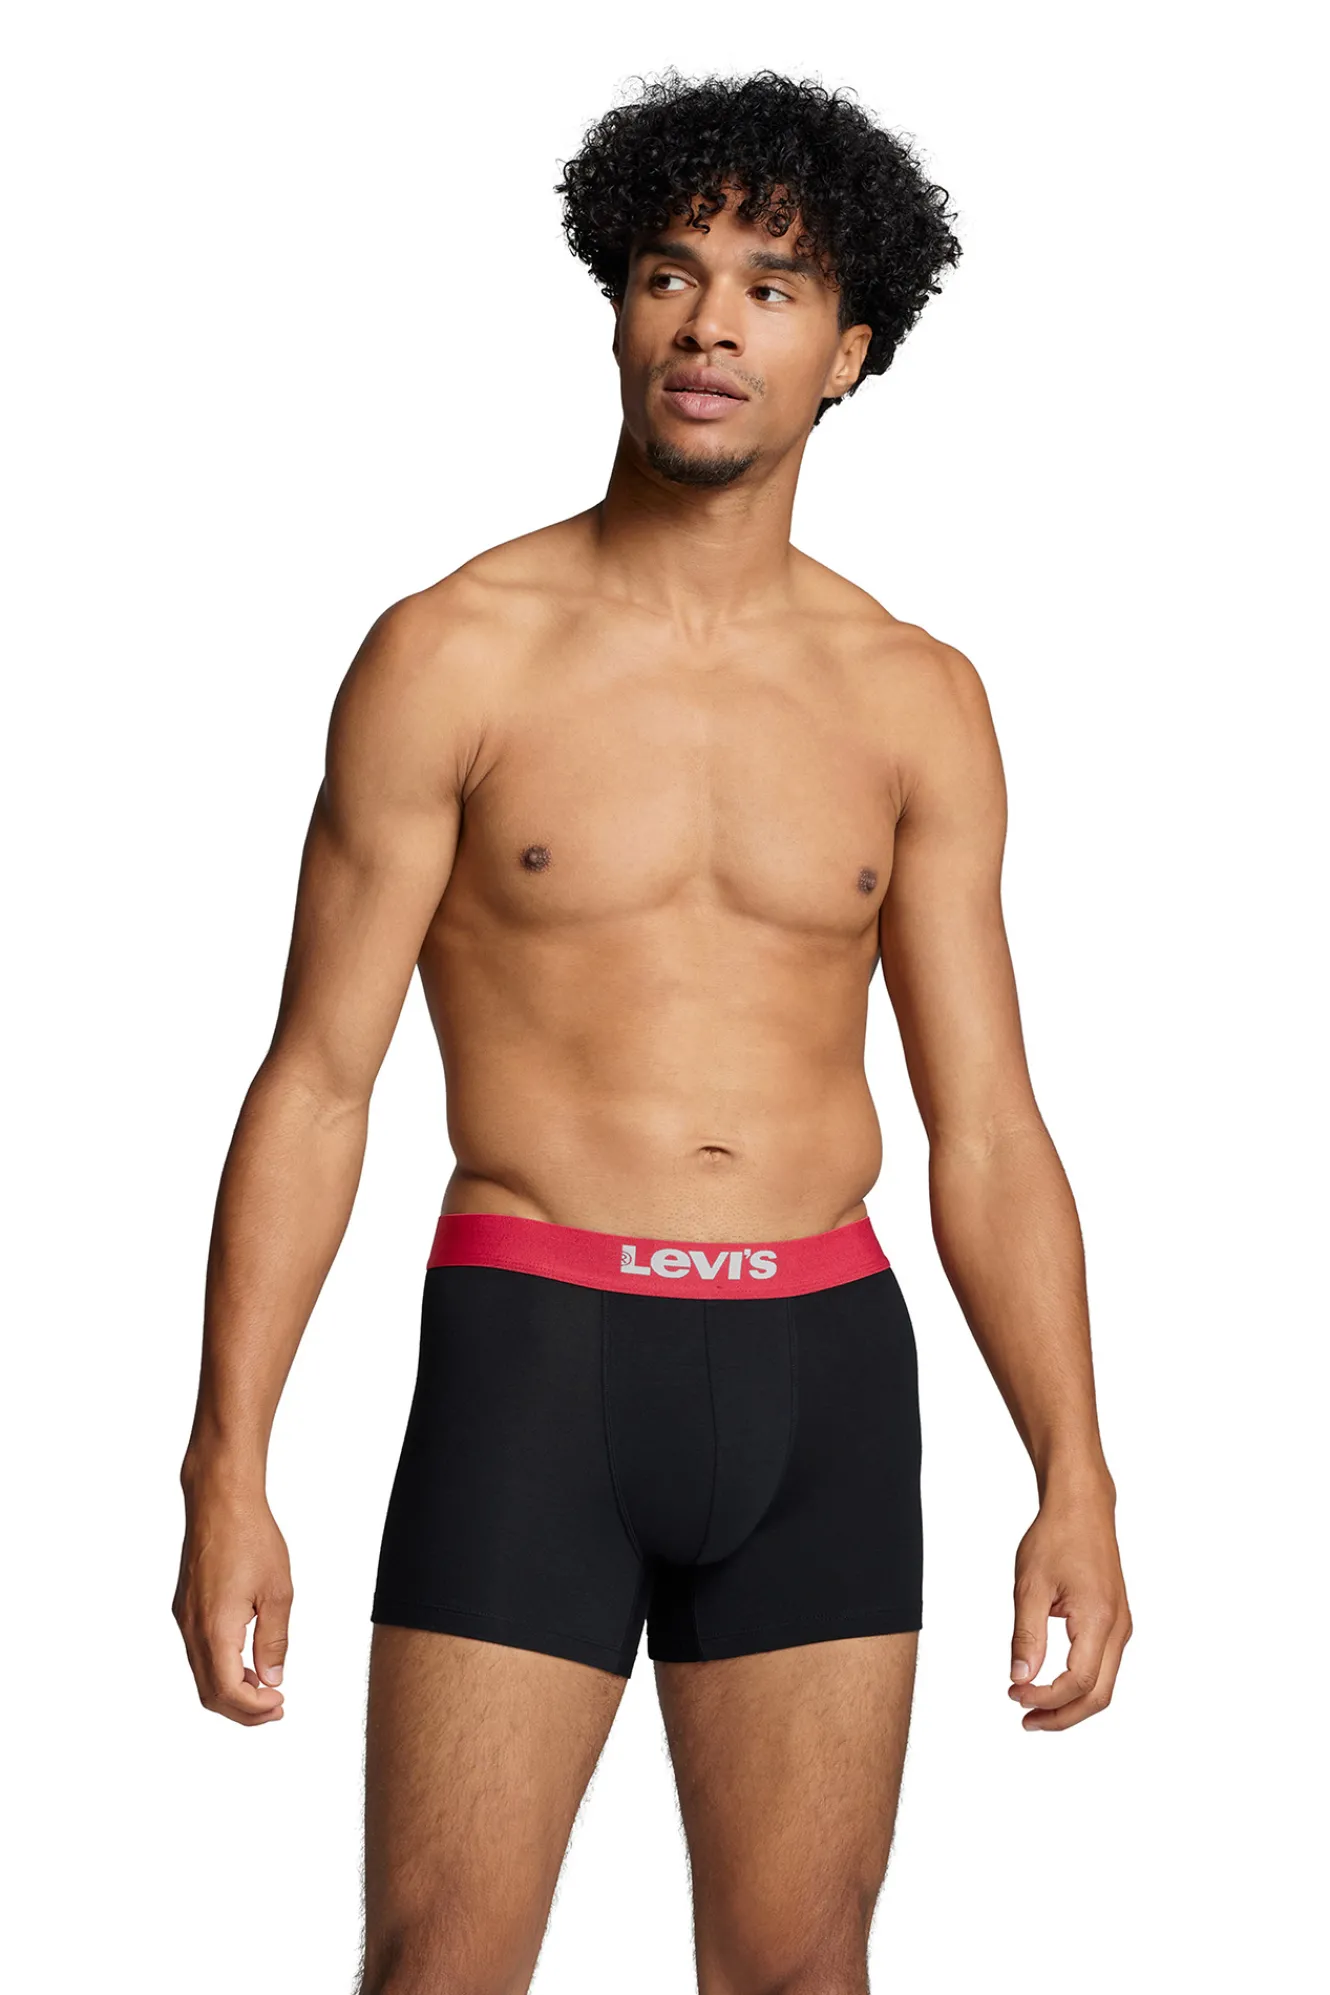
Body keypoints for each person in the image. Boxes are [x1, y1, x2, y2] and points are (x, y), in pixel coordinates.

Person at [173, 68, 1131, 1995]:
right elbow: (320, 1079)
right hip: (539, 1352)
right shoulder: (454, 650)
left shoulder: (913, 694)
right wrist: (226, 1461)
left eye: (773, 289)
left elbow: (988, 1126)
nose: (710, 325)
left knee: (802, 1969)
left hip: (824, 1367)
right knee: (442, 1965)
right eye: (671, 275)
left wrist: (1076, 1469)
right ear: (617, 310)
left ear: (847, 355)